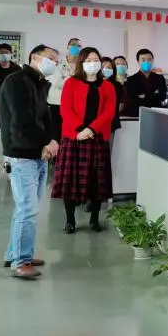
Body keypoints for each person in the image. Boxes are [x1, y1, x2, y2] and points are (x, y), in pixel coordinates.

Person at [0, 44, 60, 280]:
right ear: (34, 57)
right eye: (50, 58)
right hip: (20, 154)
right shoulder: (16, 81)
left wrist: (51, 141)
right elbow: (22, 119)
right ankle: (20, 261)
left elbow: (45, 116)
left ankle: (15, 253)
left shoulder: (41, 83)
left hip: (38, 153)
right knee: (27, 208)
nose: (54, 63)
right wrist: (46, 141)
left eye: (56, 61)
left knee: (26, 208)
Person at [51, 47, 116, 234]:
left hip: (97, 138)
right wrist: (80, 129)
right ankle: (70, 220)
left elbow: (109, 112)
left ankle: (94, 219)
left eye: (95, 60)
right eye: (88, 60)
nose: (92, 63)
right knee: (70, 182)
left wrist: (91, 129)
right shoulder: (71, 83)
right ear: (81, 63)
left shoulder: (107, 86)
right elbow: (65, 109)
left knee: (97, 183)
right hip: (74, 138)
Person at [47, 37, 81, 140]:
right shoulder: (58, 63)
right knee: (56, 135)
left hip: (75, 105)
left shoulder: (82, 65)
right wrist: (72, 82)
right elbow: (57, 82)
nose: (76, 47)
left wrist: (67, 79)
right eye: (73, 44)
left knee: (71, 135)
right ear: (68, 46)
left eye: (79, 45)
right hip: (57, 104)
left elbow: (82, 84)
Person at [123, 48, 167, 117]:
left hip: (156, 114)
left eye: (149, 59)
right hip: (137, 115)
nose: (146, 62)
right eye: (143, 60)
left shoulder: (159, 78)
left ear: (152, 61)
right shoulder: (131, 80)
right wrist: (154, 95)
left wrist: (144, 96)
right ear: (138, 61)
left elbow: (162, 97)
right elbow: (132, 100)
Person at [102, 58, 123, 134]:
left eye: (109, 67)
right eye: (103, 67)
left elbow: (115, 104)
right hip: (93, 123)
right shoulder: (93, 84)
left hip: (111, 122)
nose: (106, 69)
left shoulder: (117, 85)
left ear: (113, 70)